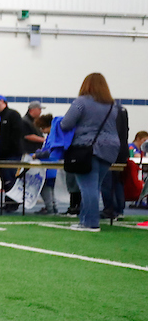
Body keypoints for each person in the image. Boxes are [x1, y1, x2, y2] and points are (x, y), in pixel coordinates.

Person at [59, 73, 120, 232]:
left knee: (87, 187)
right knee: (94, 186)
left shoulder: (81, 102)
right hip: (111, 148)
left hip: (88, 147)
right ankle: (85, 220)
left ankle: (91, 223)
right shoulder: (112, 106)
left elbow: (66, 123)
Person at [0, 95, 25, 212]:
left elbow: (17, 134)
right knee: (4, 179)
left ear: (2, 102)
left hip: (11, 154)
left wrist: (9, 148)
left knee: (9, 179)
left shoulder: (12, 115)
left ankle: (13, 203)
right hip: (1, 154)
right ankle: (8, 202)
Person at [100, 102, 130, 221]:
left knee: (106, 181)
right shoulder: (122, 110)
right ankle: (119, 209)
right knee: (118, 181)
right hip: (122, 150)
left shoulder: (107, 111)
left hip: (109, 150)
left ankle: (110, 209)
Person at [32, 114, 59, 214]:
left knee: (45, 188)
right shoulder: (52, 135)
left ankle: (50, 208)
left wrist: (37, 154)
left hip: (49, 166)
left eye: (43, 128)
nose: (42, 130)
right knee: (50, 188)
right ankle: (53, 207)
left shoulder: (52, 136)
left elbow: (49, 151)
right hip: (52, 165)